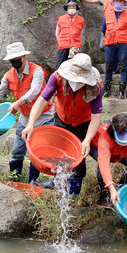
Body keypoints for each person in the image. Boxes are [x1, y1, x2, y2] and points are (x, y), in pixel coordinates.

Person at [22, 54, 102, 197]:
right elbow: (41, 101)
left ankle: (73, 195)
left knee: (77, 157)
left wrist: (88, 139)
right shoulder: (57, 78)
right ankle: (56, 181)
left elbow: (96, 116)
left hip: (83, 122)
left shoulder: (95, 87)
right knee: (57, 151)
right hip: (61, 117)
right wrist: (30, 125)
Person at [0, 42, 54, 185]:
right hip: (25, 117)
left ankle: (33, 181)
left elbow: (35, 90)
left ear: (24, 56)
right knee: (18, 150)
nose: (14, 62)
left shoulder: (36, 70)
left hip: (43, 116)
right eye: (11, 60)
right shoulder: (8, 75)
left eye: (17, 59)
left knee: (37, 150)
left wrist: (18, 102)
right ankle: (15, 178)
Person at [75, 0, 124, 73]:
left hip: (117, 27)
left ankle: (115, 68)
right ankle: (113, 64)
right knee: (103, 46)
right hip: (107, 26)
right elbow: (94, 0)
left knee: (115, 47)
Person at [102, 0, 127, 99]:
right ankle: (107, 91)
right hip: (110, 43)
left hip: (123, 43)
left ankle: (122, 92)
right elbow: (103, 29)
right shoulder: (108, 14)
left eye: (121, 1)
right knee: (108, 67)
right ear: (113, 2)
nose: (118, 3)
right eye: (117, 1)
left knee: (123, 67)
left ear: (124, 3)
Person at [55, 0, 84, 69]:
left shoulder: (81, 19)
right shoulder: (61, 18)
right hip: (63, 45)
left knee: (74, 67)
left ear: (76, 7)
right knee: (60, 65)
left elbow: (81, 33)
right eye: (70, 6)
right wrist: (60, 42)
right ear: (67, 8)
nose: (72, 8)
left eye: (73, 6)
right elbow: (57, 33)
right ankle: (59, 80)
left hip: (75, 46)